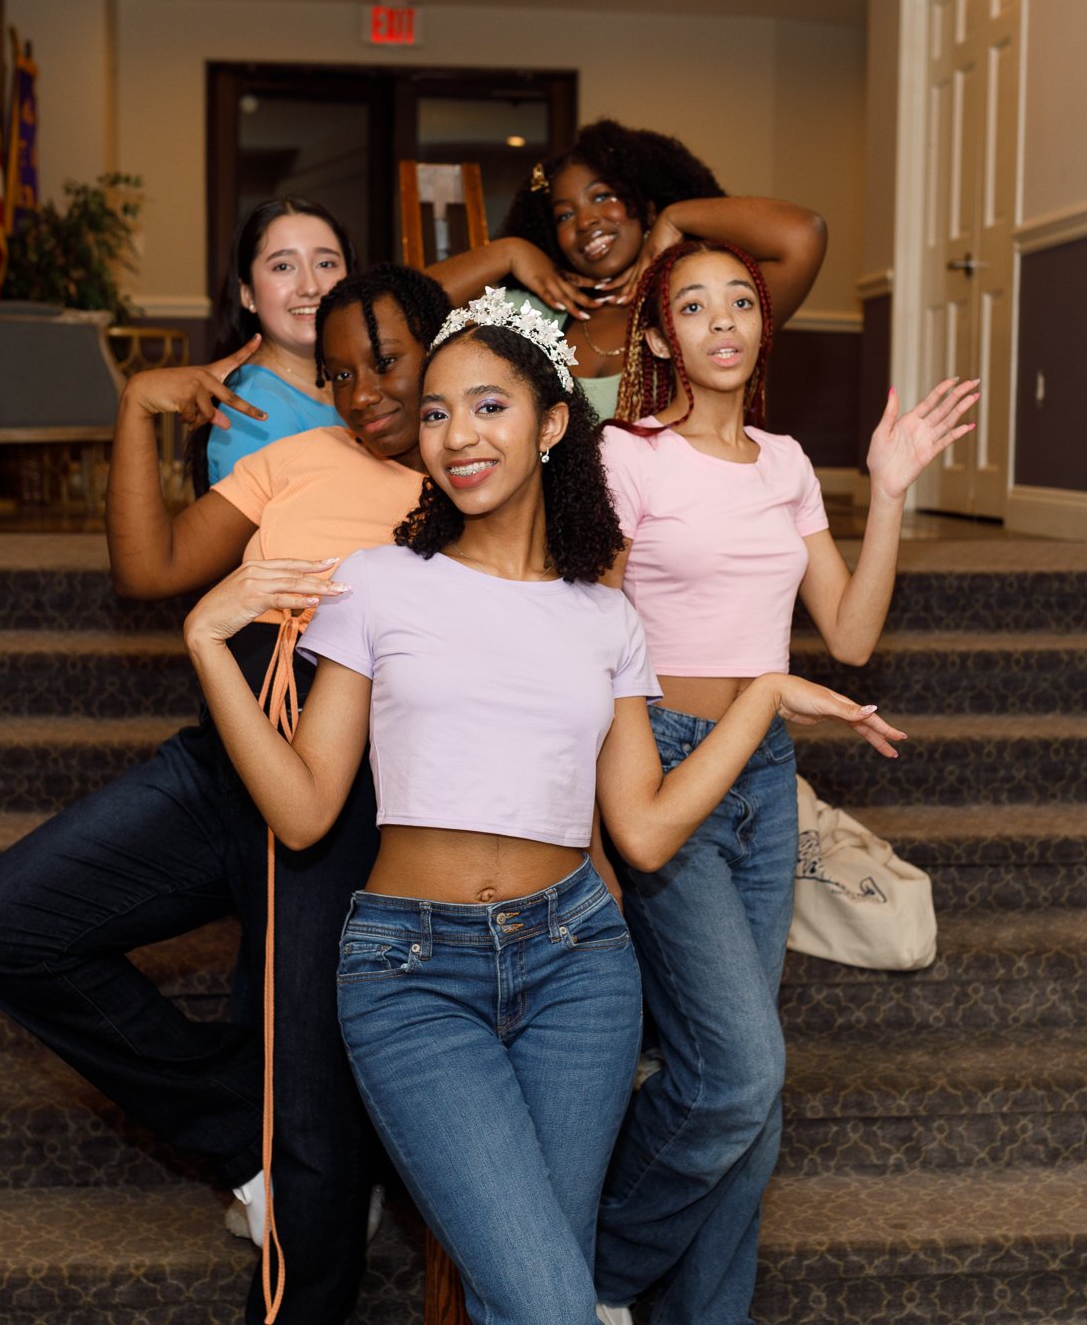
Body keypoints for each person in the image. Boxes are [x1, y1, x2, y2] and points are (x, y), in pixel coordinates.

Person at [179, 291, 903, 1325]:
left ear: (552, 422)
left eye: (487, 407)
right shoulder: (378, 584)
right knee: (551, 1305)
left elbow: (646, 829)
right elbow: (301, 813)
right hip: (411, 976)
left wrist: (763, 700)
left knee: (526, 1299)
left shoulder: (605, 615)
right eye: (435, 413)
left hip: (578, 970)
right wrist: (210, 646)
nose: (458, 435)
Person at [0, 264, 451, 1325]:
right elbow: (151, 566)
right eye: (343, 370)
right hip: (223, 746)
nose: (363, 394)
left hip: (340, 780)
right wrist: (135, 407)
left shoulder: (471, 485)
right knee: (2, 923)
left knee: (309, 1105)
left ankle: (301, 1178)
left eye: (390, 363)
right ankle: (240, 1121)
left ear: (443, 355)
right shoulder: (295, 455)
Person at [592, 241, 981, 1325]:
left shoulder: (789, 462)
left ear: (763, 327)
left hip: (765, 782)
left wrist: (891, 491)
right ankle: (590, 1282)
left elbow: (850, 638)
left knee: (746, 1098)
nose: (723, 320)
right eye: (694, 304)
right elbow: (592, 631)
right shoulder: (627, 457)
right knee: (740, 1076)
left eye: (742, 302)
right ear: (663, 335)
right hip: (665, 762)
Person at [423, 119, 826, 419]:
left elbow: (803, 235)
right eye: (564, 216)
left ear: (643, 206)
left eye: (604, 196)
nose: (586, 221)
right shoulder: (536, 314)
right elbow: (402, 311)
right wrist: (507, 253)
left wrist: (674, 218)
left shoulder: (700, 308)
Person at [199, 197, 352, 488]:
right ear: (248, 295)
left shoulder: (350, 383)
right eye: (283, 267)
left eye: (325, 263)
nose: (310, 287)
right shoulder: (257, 408)